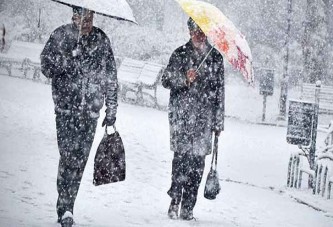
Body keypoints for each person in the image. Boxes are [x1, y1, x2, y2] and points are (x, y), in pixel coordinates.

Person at [40, 6, 118, 227]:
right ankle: (64, 207)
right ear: (73, 16)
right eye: (82, 17)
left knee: (79, 161)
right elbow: (46, 66)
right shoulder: (60, 35)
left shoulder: (101, 39)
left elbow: (111, 77)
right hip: (66, 110)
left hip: (90, 112)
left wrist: (111, 110)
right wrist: (67, 59)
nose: (87, 21)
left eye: (90, 17)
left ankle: (68, 206)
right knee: (67, 157)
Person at [162, 18, 225, 220]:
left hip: (204, 120)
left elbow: (219, 93)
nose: (199, 34)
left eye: (203, 30)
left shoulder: (215, 58)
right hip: (181, 117)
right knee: (180, 161)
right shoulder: (179, 54)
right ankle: (175, 201)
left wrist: (218, 122)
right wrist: (183, 78)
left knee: (197, 165)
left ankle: (189, 206)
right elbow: (165, 80)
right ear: (189, 31)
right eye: (196, 30)